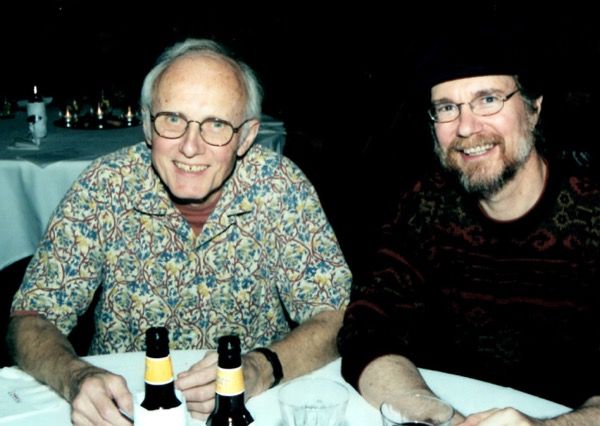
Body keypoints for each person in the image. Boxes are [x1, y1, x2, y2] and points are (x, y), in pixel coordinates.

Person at [7, 38, 351, 425]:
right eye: (172, 119)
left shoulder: (280, 187)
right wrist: (76, 377)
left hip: (253, 408)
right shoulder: (103, 187)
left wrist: (261, 367)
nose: (190, 147)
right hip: (127, 409)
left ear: (247, 136)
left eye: (217, 125)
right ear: (146, 124)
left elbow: (335, 315)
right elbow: (30, 319)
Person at [337, 29, 600, 425]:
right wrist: (439, 416)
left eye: (488, 100)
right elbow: (366, 330)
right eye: (446, 108)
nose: (465, 127)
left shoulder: (592, 215)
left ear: (533, 109)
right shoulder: (423, 206)